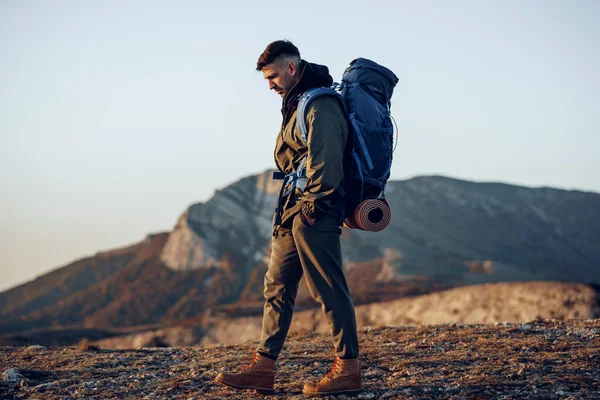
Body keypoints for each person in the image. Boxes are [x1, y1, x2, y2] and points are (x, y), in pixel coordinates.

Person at [215, 40, 362, 396]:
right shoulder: (295, 102)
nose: (270, 84)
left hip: (315, 209)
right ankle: (263, 368)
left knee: (328, 288)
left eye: (273, 75)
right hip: (291, 209)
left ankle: (348, 369)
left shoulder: (321, 103)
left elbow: (326, 161)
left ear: (292, 69)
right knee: (276, 288)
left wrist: (313, 205)